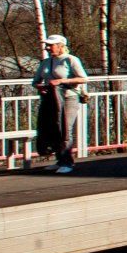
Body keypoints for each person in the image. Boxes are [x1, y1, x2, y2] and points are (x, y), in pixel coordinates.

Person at [32, 34, 87, 174]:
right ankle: (60, 159)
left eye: (51, 45)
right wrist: (40, 87)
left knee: (65, 128)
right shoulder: (45, 62)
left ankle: (67, 161)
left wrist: (61, 81)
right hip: (51, 99)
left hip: (69, 98)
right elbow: (35, 81)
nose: (48, 48)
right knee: (54, 128)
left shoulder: (70, 60)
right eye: (48, 45)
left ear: (61, 46)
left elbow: (83, 79)